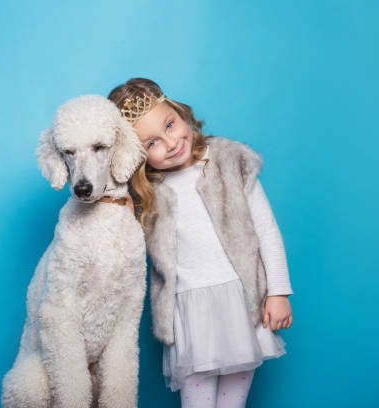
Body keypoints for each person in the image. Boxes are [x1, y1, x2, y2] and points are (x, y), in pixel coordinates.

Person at [108, 78, 294, 408]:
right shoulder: (148, 192)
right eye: (152, 143)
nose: (170, 142)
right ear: (137, 156)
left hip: (242, 306)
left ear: (180, 112)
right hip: (189, 316)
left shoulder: (227, 162)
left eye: (170, 124)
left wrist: (278, 291)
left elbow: (266, 230)